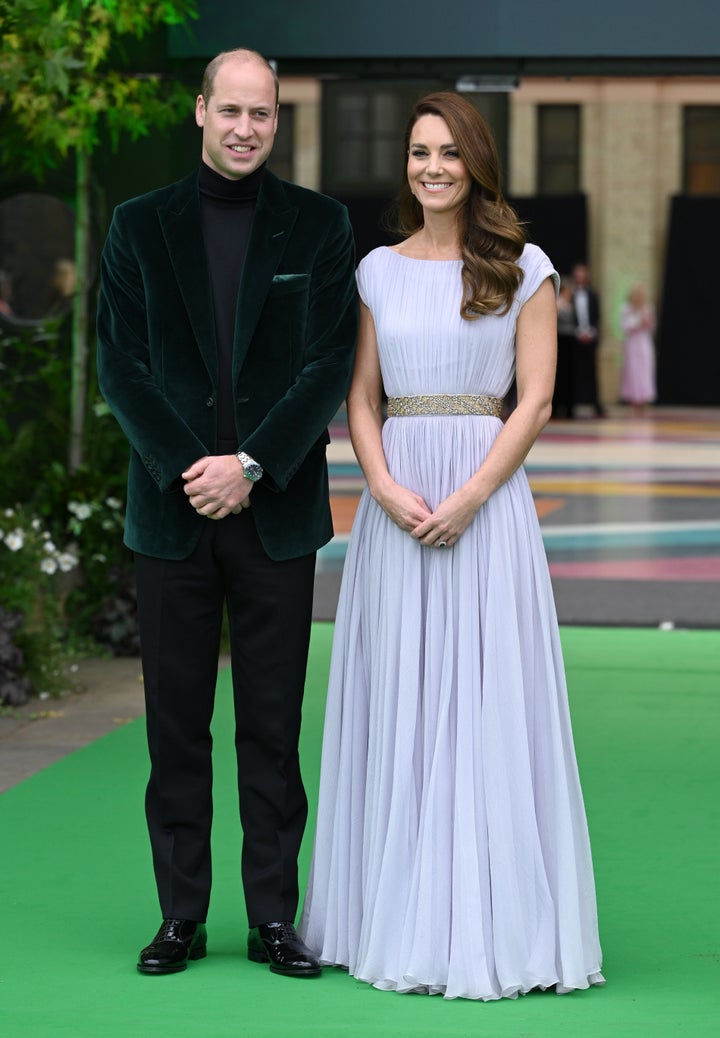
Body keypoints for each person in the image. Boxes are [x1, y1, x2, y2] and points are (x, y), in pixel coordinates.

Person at [299, 91, 604, 1000]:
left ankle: (490, 926)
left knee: (483, 699)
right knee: (402, 695)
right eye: (419, 152)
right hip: (396, 510)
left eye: (449, 152)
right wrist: (382, 486)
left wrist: (470, 497)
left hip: (486, 503)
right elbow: (361, 396)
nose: (432, 167)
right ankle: (392, 914)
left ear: (476, 163)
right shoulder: (376, 271)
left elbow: (536, 400)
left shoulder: (524, 266)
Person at [96, 48, 358, 978]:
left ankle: (273, 919)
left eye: (262, 113)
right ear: (200, 111)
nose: (246, 128)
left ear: (277, 121)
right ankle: (181, 917)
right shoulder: (137, 226)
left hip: (275, 514)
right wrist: (193, 470)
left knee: (271, 728)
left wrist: (250, 465)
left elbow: (328, 362)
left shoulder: (320, 225)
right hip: (172, 518)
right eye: (232, 110)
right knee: (175, 726)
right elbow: (121, 367)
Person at [571, 262, 605, 417]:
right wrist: (578, 332)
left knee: (592, 373)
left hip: (590, 340)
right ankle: (571, 405)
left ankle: (595, 404)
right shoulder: (570, 295)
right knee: (573, 373)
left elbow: (596, 317)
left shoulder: (593, 295)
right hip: (573, 340)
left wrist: (590, 332)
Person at [619, 283, 656, 416]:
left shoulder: (648, 307)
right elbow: (624, 326)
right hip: (632, 343)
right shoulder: (626, 308)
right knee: (633, 371)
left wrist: (647, 322)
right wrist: (637, 323)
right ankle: (633, 399)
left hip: (644, 342)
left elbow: (652, 326)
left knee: (645, 370)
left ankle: (644, 399)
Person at [552, 275, 577, 418]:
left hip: (570, 343)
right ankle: (557, 407)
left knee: (569, 376)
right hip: (560, 340)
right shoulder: (558, 303)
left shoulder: (571, 304)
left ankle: (568, 407)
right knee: (559, 375)